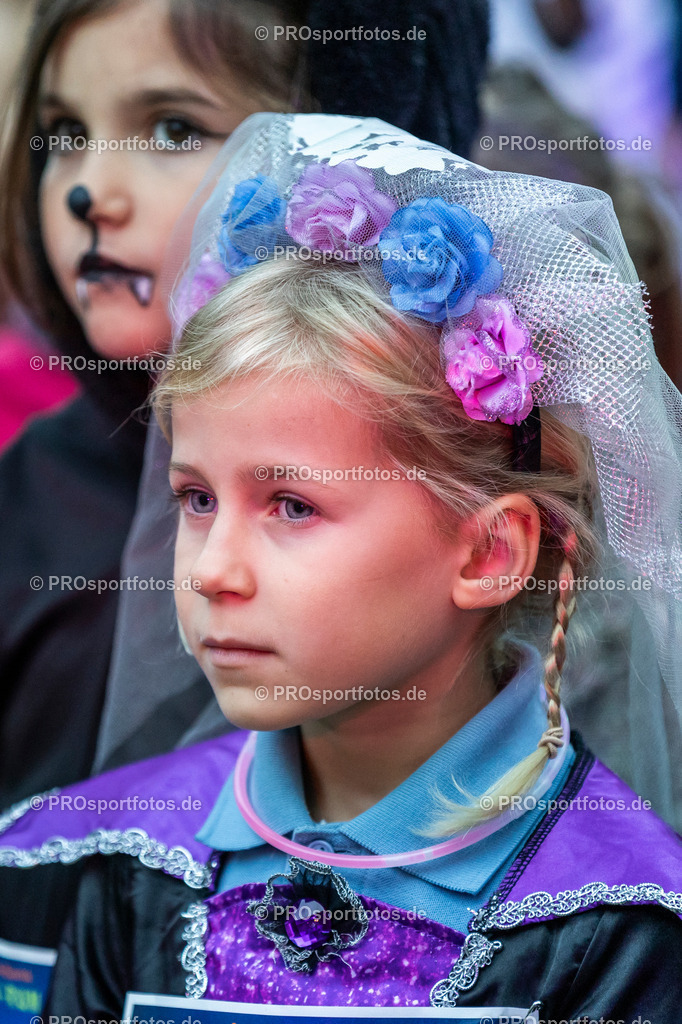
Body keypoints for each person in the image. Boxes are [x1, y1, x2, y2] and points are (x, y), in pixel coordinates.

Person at [3, 113, 681, 1021]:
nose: (213, 571)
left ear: (488, 551)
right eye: (198, 499)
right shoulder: (122, 861)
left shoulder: (612, 923)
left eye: (292, 506)